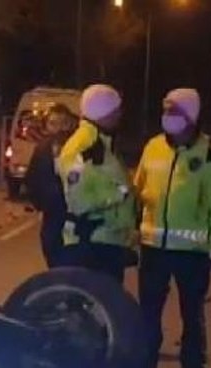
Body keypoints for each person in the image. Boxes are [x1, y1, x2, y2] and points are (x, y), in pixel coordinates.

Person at [133, 88, 211, 368]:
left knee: (192, 319)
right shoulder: (153, 147)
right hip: (154, 249)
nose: (168, 117)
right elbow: (139, 190)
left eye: (175, 111)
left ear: (192, 117)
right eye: (166, 110)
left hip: (192, 254)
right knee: (148, 318)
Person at [56, 84, 137, 283]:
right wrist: (119, 193)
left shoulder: (102, 143)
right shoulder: (85, 145)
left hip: (107, 242)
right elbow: (79, 200)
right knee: (96, 299)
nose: (120, 114)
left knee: (105, 299)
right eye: (115, 110)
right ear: (103, 113)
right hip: (91, 242)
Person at [26, 103, 78, 268]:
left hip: (76, 216)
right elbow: (32, 179)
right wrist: (42, 205)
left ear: (71, 124)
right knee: (55, 259)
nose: (58, 129)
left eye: (63, 123)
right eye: (53, 123)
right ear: (47, 126)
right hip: (53, 215)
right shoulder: (42, 149)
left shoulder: (80, 147)